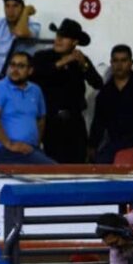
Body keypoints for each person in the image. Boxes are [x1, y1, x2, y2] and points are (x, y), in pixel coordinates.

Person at [30, 19, 103, 164]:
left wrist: (84, 65)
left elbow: (97, 83)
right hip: (50, 121)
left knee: (78, 165)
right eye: (58, 35)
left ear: (75, 42)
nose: (58, 40)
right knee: (50, 166)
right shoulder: (42, 56)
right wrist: (64, 61)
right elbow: (36, 75)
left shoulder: (81, 60)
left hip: (75, 122)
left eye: (64, 37)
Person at [90, 45, 133, 164]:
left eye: (123, 60)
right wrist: (92, 147)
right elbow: (98, 123)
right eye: (116, 61)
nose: (119, 65)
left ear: (131, 62)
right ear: (111, 63)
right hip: (115, 145)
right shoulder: (105, 92)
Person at [0, 52, 53, 165]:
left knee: (58, 171)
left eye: (20, 66)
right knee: (54, 171)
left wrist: (35, 144)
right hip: (2, 149)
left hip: (29, 150)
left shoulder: (36, 90)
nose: (15, 70)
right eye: (12, 65)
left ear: (30, 70)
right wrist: (9, 144)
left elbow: (41, 119)